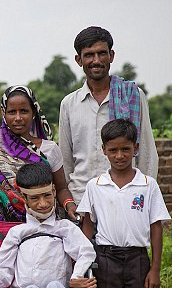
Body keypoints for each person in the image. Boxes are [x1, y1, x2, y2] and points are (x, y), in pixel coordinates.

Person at [77, 119, 171, 288]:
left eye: (125, 149)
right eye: (113, 150)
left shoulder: (147, 185)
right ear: (104, 150)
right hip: (105, 259)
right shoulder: (95, 185)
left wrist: (154, 268)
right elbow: (87, 226)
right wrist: (85, 264)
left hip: (137, 260)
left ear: (136, 149)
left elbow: (156, 225)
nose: (119, 156)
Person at [59, 26, 159, 205]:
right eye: (89, 55)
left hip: (126, 197)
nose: (96, 60)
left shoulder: (133, 96)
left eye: (101, 53)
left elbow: (146, 152)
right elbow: (65, 160)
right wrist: (68, 201)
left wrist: (145, 197)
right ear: (78, 60)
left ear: (111, 56)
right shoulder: (69, 104)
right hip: (82, 199)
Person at [0, 85, 78, 225]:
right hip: (6, 229)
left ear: (34, 112)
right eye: (12, 112)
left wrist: (70, 205)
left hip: (47, 227)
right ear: (3, 113)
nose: (18, 118)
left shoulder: (49, 150)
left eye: (24, 111)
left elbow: (62, 188)